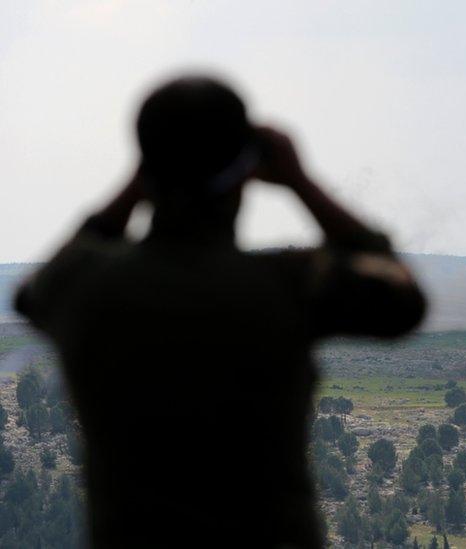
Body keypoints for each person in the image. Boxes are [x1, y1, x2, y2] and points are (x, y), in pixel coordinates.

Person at [15, 76, 426, 547]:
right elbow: (402, 303)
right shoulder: (287, 283)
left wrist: (137, 183)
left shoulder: (87, 284)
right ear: (245, 172)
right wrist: (300, 181)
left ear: (147, 168)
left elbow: (33, 295)